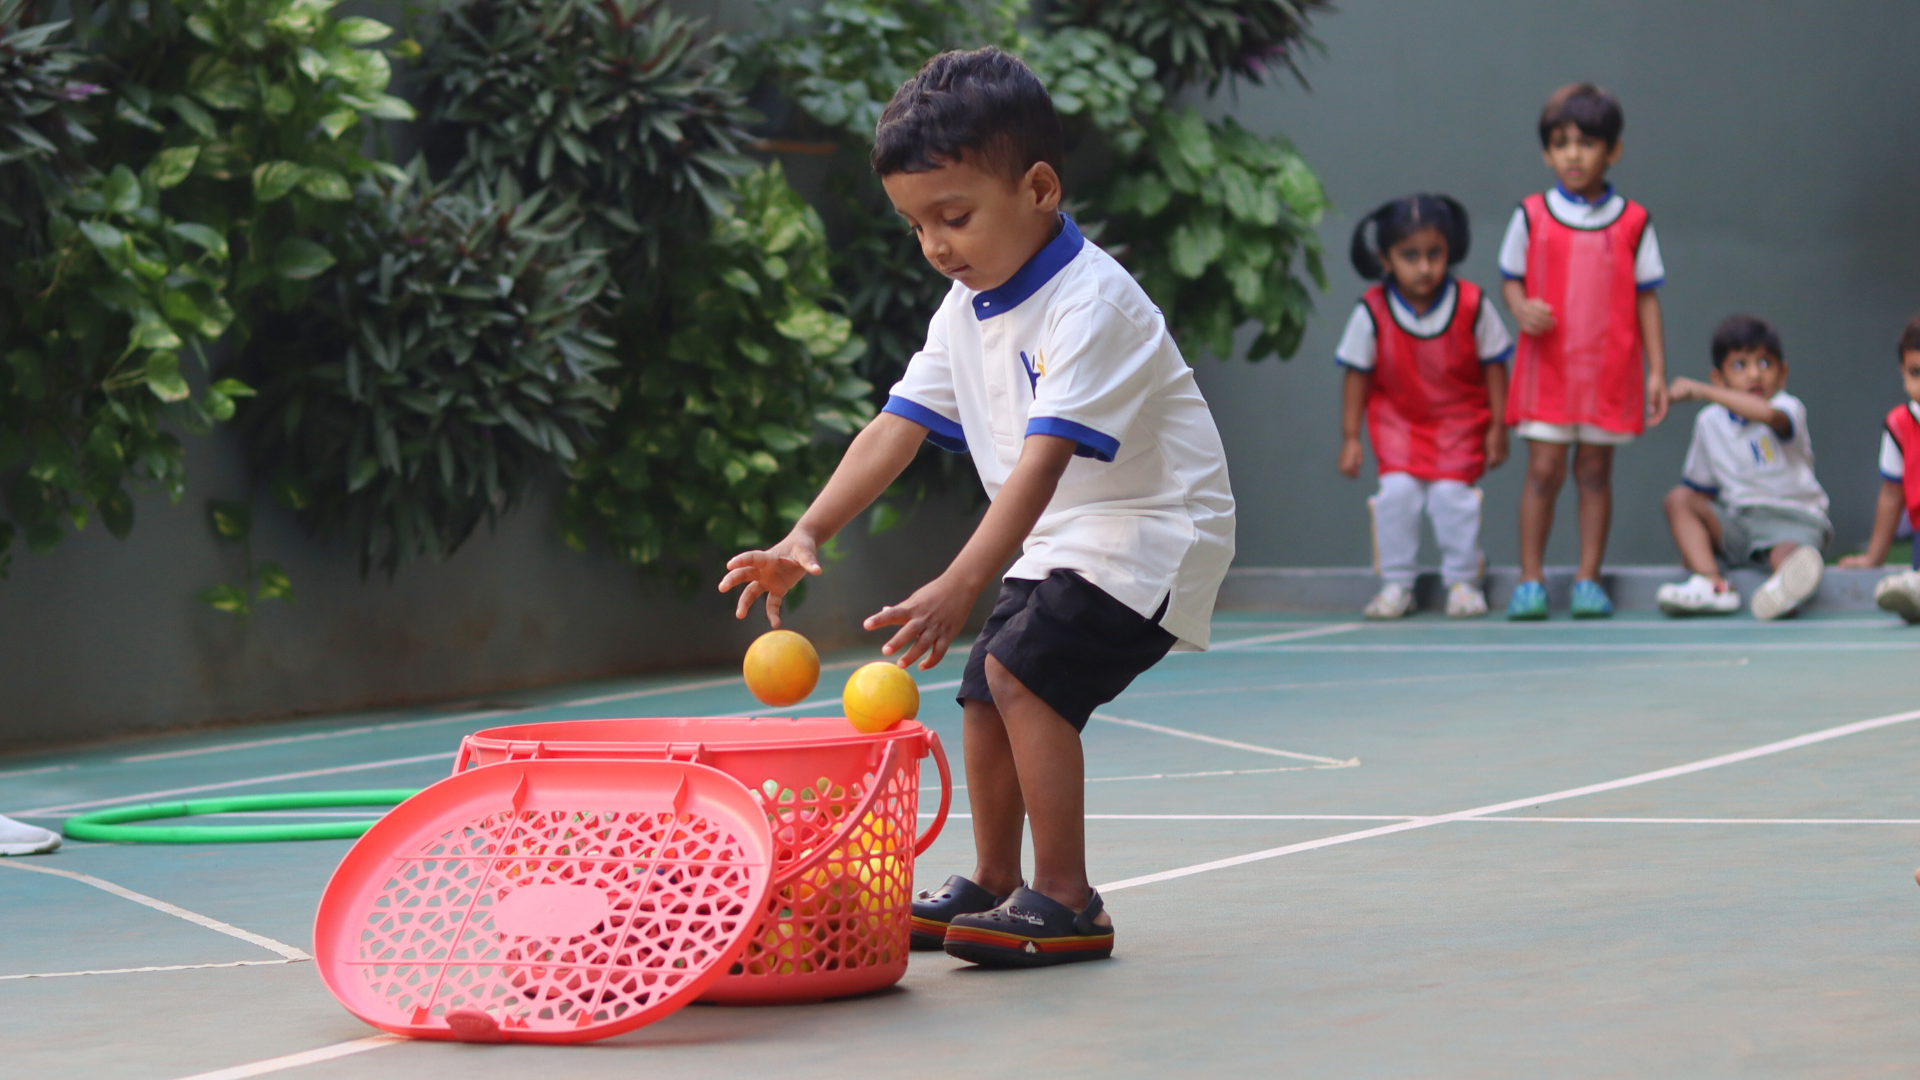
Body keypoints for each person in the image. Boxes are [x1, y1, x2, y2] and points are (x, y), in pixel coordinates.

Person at [717, 47, 1234, 968]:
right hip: (1065, 535)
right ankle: (994, 882)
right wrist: (805, 535)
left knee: (1026, 673)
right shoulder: (967, 308)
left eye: (953, 217)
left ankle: (1068, 900)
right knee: (986, 681)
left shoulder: (1093, 306)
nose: (937, 247)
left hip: (1155, 528)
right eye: (917, 227)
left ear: (1038, 188)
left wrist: (963, 580)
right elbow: (895, 427)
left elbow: (1041, 461)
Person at [1498, 82, 1670, 619]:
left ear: (1612, 150)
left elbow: (1647, 300)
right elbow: (1510, 280)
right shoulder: (1530, 215)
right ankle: (1530, 581)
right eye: (1561, 142)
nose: (1573, 153)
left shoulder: (1634, 221)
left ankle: (1588, 579)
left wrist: (1657, 372)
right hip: (1546, 372)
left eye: (1587, 142)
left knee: (1595, 472)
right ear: (1547, 152)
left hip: (1607, 372)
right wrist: (1520, 306)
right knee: (1544, 471)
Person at [1336, 194, 1512, 619]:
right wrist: (1350, 437)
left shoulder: (1473, 304)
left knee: (1454, 500)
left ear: (1450, 251)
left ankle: (1464, 582)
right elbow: (1356, 375)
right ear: (1385, 258)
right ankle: (1396, 583)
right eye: (1409, 255)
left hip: (1460, 424)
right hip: (1397, 427)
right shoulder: (1372, 311)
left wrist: (1497, 427)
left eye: (1434, 254)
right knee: (1397, 497)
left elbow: (1495, 367)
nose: (1424, 267)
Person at [1655, 316, 1830, 619]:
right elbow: (1701, 493)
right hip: (1740, 523)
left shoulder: (1788, 407)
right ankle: (1713, 585)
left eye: (1765, 364)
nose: (1754, 375)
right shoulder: (1708, 422)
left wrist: (1702, 391)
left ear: (1783, 373)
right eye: (1740, 365)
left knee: (1785, 554)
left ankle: (1785, 588)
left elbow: (1765, 414)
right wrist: (1697, 547)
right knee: (1678, 499)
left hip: (1794, 520)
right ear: (1718, 377)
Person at [1837, 316, 1920, 622]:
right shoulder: (1899, 425)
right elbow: (1891, 494)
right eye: (1916, 372)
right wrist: (1874, 557)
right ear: (1903, 372)